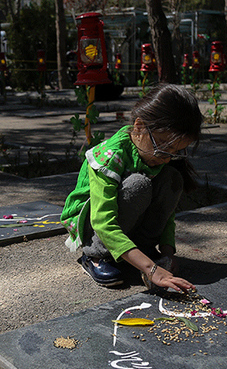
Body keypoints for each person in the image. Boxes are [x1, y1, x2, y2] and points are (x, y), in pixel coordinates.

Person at [61, 83, 202, 292]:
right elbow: (102, 221)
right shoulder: (110, 157)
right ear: (139, 127)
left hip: (126, 220)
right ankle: (96, 256)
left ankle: (139, 249)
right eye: (163, 147)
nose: (166, 158)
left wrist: (166, 254)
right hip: (94, 225)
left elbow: (167, 213)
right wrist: (151, 269)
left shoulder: (160, 157)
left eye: (175, 151)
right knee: (139, 184)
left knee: (172, 178)